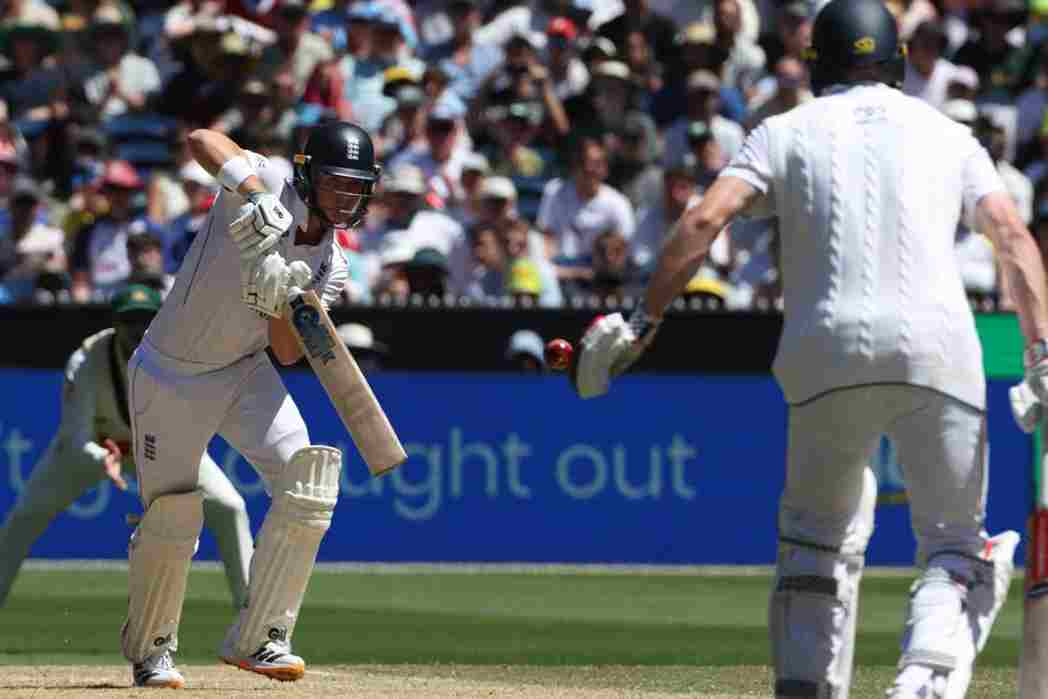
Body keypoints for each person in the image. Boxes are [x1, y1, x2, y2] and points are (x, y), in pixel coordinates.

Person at [570, 1, 1048, 696]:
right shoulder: (951, 135)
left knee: (815, 539)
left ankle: (806, 685)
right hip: (939, 351)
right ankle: (924, 681)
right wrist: (1041, 352)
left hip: (823, 352)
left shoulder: (784, 130)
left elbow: (706, 218)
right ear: (898, 59)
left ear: (820, 60)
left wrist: (643, 316)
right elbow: (1011, 235)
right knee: (952, 540)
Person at [119, 121, 381, 688]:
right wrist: (256, 195)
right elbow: (201, 139)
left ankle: (260, 637)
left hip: (244, 372)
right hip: (170, 372)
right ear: (309, 174)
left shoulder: (331, 265)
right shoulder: (272, 178)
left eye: (356, 188)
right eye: (336, 183)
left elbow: (286, 351)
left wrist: (281, 298)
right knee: (172, 511)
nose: (346, 199)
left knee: (308, 478)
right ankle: (152, 649)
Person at [0, 285, 252, 610]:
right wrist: (103, 458)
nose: (138, 329)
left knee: (230, 507)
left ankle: (250, 617)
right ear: (115, 323)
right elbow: (77, 438)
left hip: (163, 450)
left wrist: (163, 455)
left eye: (146, 319)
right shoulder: (87, 358)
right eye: (129, 320)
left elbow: (191, 421)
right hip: (97, 449)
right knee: (26, 516)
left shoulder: (181, 355)